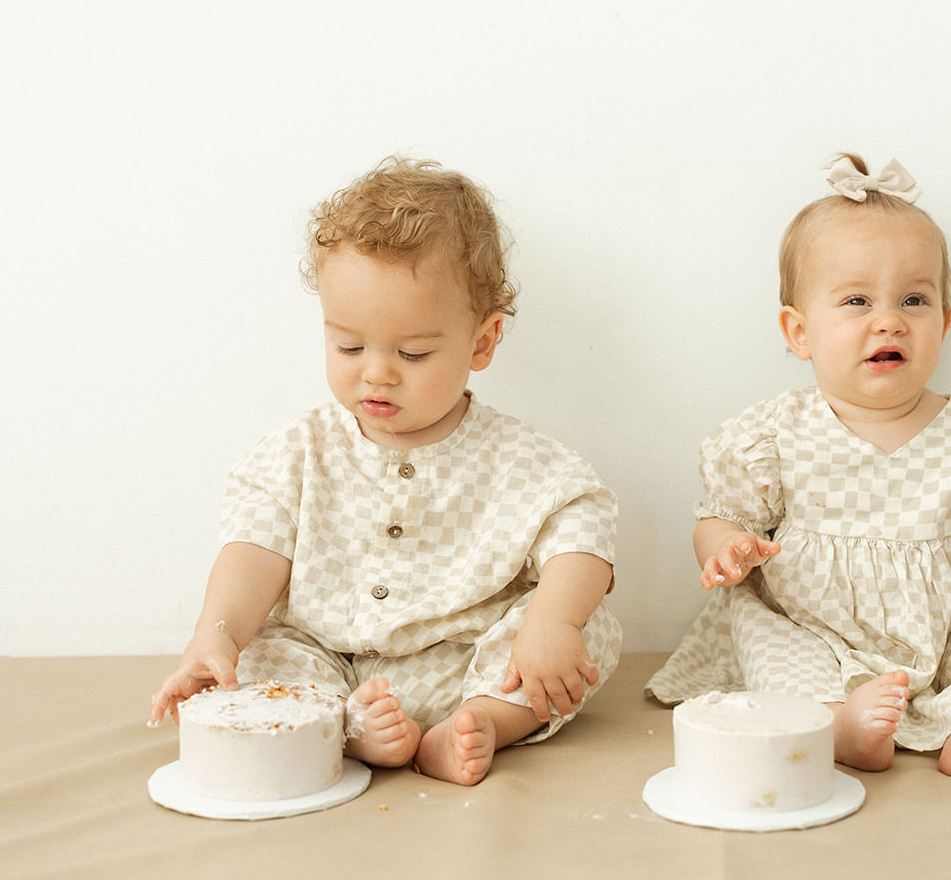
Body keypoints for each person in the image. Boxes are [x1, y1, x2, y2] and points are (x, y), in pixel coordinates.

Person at [149, 157, 621, 786]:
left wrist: (551, 624)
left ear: (481, 343)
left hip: (459, 666)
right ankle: (350, 728)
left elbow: (583, 528)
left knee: (586, 631)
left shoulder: (519, 459)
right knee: (263, 655)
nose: (376, 372)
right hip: (321, 660)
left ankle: (476, 725)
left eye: (412, 353)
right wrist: (216, 636)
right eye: (348, 347)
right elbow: (253, 546)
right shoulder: (299, 450)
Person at [646, 154, 951, 776]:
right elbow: (722, 515)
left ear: (943, 322)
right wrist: (725, 549)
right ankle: (839, 725)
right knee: (765, 638)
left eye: (914, 300)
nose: (889, 319)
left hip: (945, 630)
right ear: (799, 332)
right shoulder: (773, 435)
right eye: (857, 300)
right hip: (810, 623)